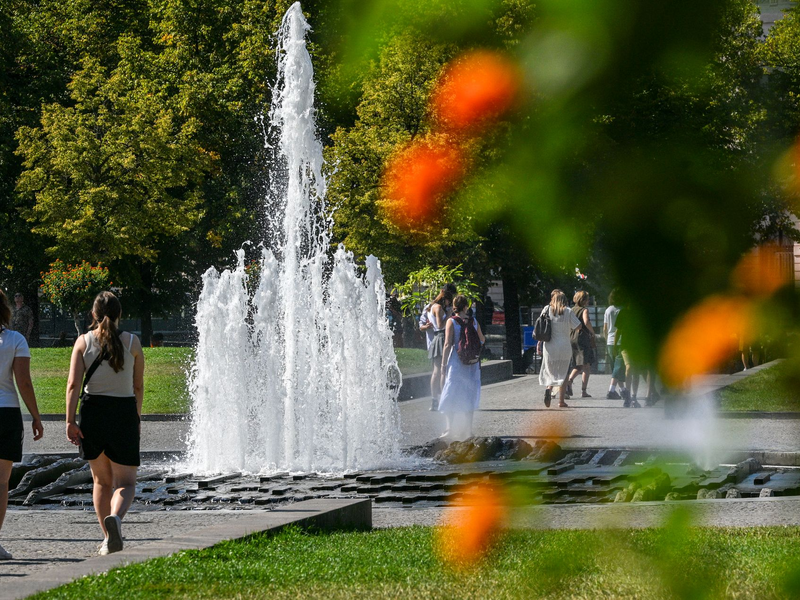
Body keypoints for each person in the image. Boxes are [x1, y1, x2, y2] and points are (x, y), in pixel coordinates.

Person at [66, 291, 144, 555]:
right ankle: (117, 520)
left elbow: (74, 385)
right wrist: (136, 417)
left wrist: (69, 420)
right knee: (126, 483)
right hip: (123, 411)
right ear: (120, 314)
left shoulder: (83, 342)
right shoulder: (132, 342)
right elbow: (138, 385)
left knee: (101, 481)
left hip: (93, 412)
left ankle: (106, 538)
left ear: (93, 314)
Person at [0, 289, 43, 560]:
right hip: (6, 413)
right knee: (1, 482)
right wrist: (36, 416)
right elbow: (23, 382)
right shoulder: (14, 339)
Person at [439, 294, 485, 440]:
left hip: (457, 362)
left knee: (451, 392)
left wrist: (443, 364)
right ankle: (468, 431)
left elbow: (447, 344)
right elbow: (482, 340)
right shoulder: (473, 321)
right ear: (466, 307)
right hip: (472, 365)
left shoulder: (451, 322)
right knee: (469, 394)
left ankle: (449, 428)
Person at [537, 290, 581, 408]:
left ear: (553, 299)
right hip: (564, 346)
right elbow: (578, 326)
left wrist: (539, 343)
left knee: (550, 370)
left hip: (550, 345)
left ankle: (548, 389)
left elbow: (540, 326)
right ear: (564, 300)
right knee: (564, 372)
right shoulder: (568, 311)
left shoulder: (546, 309)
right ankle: (561, 401)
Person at [426, 284, 456, 411]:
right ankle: (439, 399)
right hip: (440, 337)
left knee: (438, 370)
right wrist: (449, 314)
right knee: (439, 370)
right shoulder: (438, 308)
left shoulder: (432, 306)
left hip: (439, 337)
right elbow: (439, 325)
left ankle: (435, 400)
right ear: (446, 298)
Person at [566, 291, 596, 398]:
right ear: (582, 300)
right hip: (582, 338)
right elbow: (586, 321)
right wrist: (592, 332)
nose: (588, 301)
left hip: (571, 337)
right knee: (584, 365)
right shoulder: (584, 310)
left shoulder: (571, 310)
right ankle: (569, 383)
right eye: (587, 299)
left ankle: (582, 390)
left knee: (582, 364)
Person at [603, 290, 622, 398]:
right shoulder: (622, 310)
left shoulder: (608, 310)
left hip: (609, 341)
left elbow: (605, 328)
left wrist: (606, 339)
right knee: (618, 367)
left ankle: (622, 390)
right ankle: (611, 390)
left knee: (615, 366)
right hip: (620, 340)